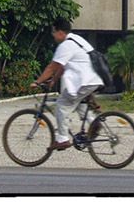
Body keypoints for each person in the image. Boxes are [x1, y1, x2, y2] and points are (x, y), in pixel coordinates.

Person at [32, 18, 103, 151]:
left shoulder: (66, 45)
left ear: (59, 32)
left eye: (53, 32)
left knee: (62, 105)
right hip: (93, 80)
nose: (53, 35)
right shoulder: (77, 40)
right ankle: (94, 122)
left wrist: (38, 81)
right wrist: (53, 81)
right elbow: (61, 67)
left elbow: (52, 67)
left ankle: (62, 139)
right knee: (77, 104)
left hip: (84, 82)